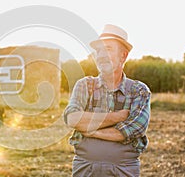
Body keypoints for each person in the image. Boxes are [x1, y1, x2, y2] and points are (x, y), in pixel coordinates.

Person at [64, 24, 151, 176]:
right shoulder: (84, 85)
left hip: (123, 170)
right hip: (86, 169)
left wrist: (90, 131)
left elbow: (129, 131)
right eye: (98, 50)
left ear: (123, 56)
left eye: (108, 49)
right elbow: (72, 119)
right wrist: (116, 117)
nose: (101, 55)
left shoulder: (139, 90)